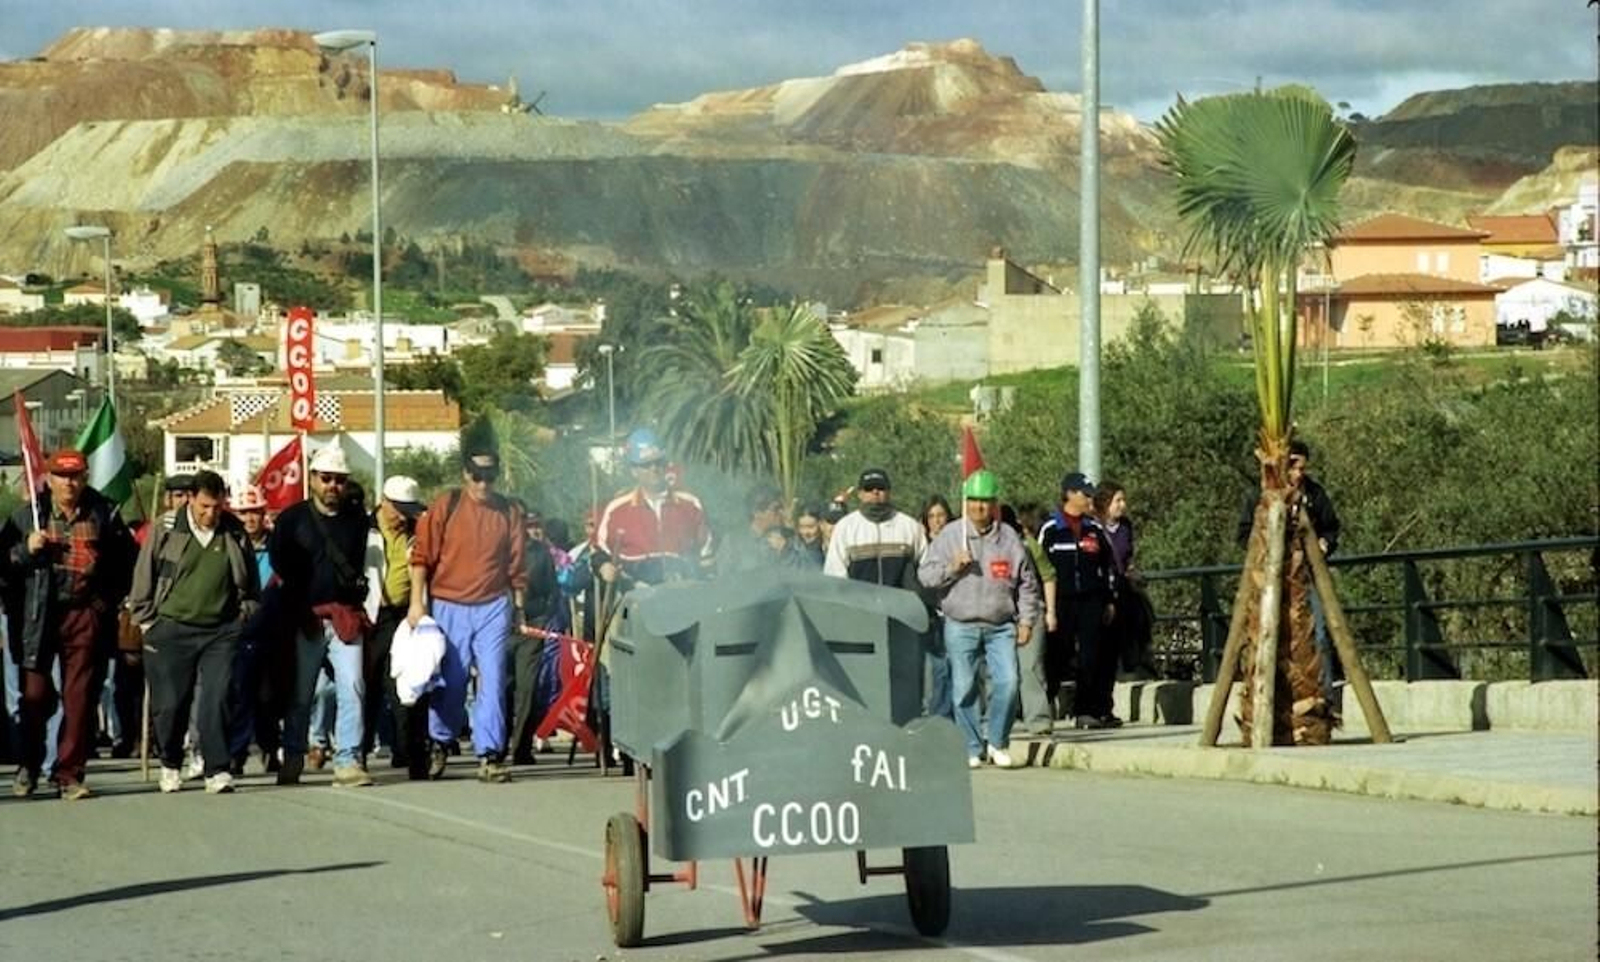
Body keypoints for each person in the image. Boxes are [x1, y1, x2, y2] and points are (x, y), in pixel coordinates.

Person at [1, 449, 137, 799]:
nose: (69, 484)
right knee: (35, 696)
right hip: (38, 616)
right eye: (62, 477)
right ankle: (29, 766)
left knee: (79, 697)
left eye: (76, 476)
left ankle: (69, 773)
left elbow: (127, 564)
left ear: (85, 477)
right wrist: (25, 551)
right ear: (49, 478)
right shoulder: (27, 516)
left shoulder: (106, 513)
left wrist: (105, 600)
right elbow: (4, 567)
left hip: (85, 614)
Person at [128, 470, 261, 795]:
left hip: (221, 630)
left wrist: (243, 615)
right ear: (190, 499)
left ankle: (217, 768)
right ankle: (171, 762)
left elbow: (250, 584)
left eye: (216, 506)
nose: (210, 514)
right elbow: (144, 575)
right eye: (204, 506)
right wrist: (147, 621)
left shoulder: (233, 531)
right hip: (171, 627)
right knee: (171, 703)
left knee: (217, 698)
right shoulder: (166, 529)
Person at [408, 430, 527, 784]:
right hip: (448, 603)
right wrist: (417, 603)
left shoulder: (509, 511)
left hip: (492, 605)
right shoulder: (447, 504)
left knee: (492, 678)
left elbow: (517, 567)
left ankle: (489, 754)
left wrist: (518, 610)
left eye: (490, 476)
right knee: (454, 679)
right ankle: (440, 742)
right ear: (465, 473)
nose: (483, 483)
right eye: (477, 475)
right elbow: (421, 557)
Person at [918, 469, 1039, 769]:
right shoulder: (950, 535)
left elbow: (1027, 583)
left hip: (1001, 626)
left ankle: (997, 741)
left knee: (1009, 683)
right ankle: (971, 746)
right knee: (963, 689)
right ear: (965, 502)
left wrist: (1026, 621)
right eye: (973, 501)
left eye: (985, 501)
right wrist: (952, 567)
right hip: (960, 625)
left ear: (994, 504)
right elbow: (925, 575)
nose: (978, 508)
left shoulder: (1009, 538)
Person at [269, 443, 375, 787]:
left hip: (345, 617)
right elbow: (279, 563)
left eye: (339, 480)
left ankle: (347, 760)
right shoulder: (291, 520)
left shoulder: (358, 521)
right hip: (305, 619)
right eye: (326, 478)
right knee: (303, 693)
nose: (333, 486)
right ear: (313, 478)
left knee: (353, 687)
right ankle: (294, 754)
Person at [1237, 439, 1342, 697]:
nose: (1297, 474)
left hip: (1308, 576)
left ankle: (1324, 698)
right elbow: (1243, 534)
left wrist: (1325, 543)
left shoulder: (1315, 494)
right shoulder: (1258, 496)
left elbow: (1332, 527)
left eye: (1302, 468)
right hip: (1268, 579)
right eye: (1293, 467)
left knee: (1319, 634)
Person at [1039, 473, 1119, 730]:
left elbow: (1108, 567)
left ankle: (1085, 711)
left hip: (1090, 600)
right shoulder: (1050, 529)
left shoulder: (1094, 529)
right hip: (1061, 601)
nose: (1088, 499)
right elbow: (1038, 568)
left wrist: (1109, 600)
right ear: (1069, 494)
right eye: (1084, 494)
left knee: (1090, 656)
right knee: (1056, 654)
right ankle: (1042, 706)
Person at [362, 475, 427, 777]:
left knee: (409, 686)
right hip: (372, 617)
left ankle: (412, 754)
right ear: (383, 502)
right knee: (368, 686)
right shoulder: (365, 528)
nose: (403, 516)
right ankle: (357, 753)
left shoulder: (418, 530)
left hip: (407, 616)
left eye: (408, 510)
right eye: (398, 509)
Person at [594, 428, 710, 590]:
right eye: (646, 465)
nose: (654, 469)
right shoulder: (617, 510)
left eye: (658, 462)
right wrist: (604, 567)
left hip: (684, 596)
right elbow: (599, 552)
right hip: (634, 599)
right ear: (634, 471)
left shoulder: (690, 505)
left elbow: (707, 556)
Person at [225, 484, 280, 775]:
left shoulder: (278, 547)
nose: (249, 519)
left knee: (268, 696)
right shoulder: (229, 544)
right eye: (243, 513)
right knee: (239, 695)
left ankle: (270, 748)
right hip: (237, 630)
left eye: (254, 513)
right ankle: (236, 753)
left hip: (271, 631)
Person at [823, 468, 927, 589]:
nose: (875, 492)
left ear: (889, 492)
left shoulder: (909, 526)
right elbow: (835, 575)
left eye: (881, 488)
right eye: (869, 488)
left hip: (900, 605)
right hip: (859, 605)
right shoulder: (845, 527)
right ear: (860, 494)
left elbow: (925, 569)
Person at [1095, 482, 1155, 678]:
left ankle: (1134, 663)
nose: (1122, 505)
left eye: (1123, 500)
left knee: (1138, 617)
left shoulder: (1125, 526)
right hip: (1104, 585)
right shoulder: (1095, 527)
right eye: (1117, 501)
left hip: (1124, 585)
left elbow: (1127, 555)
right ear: (1105, 503)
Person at [1013, 501, 1056, 734]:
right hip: (998, 615)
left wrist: (1050, 612)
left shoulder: (1030, 547)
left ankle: (1038, 721)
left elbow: (1048, 577)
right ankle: (999, 722)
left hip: (1030, 611)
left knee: (1030, 667)